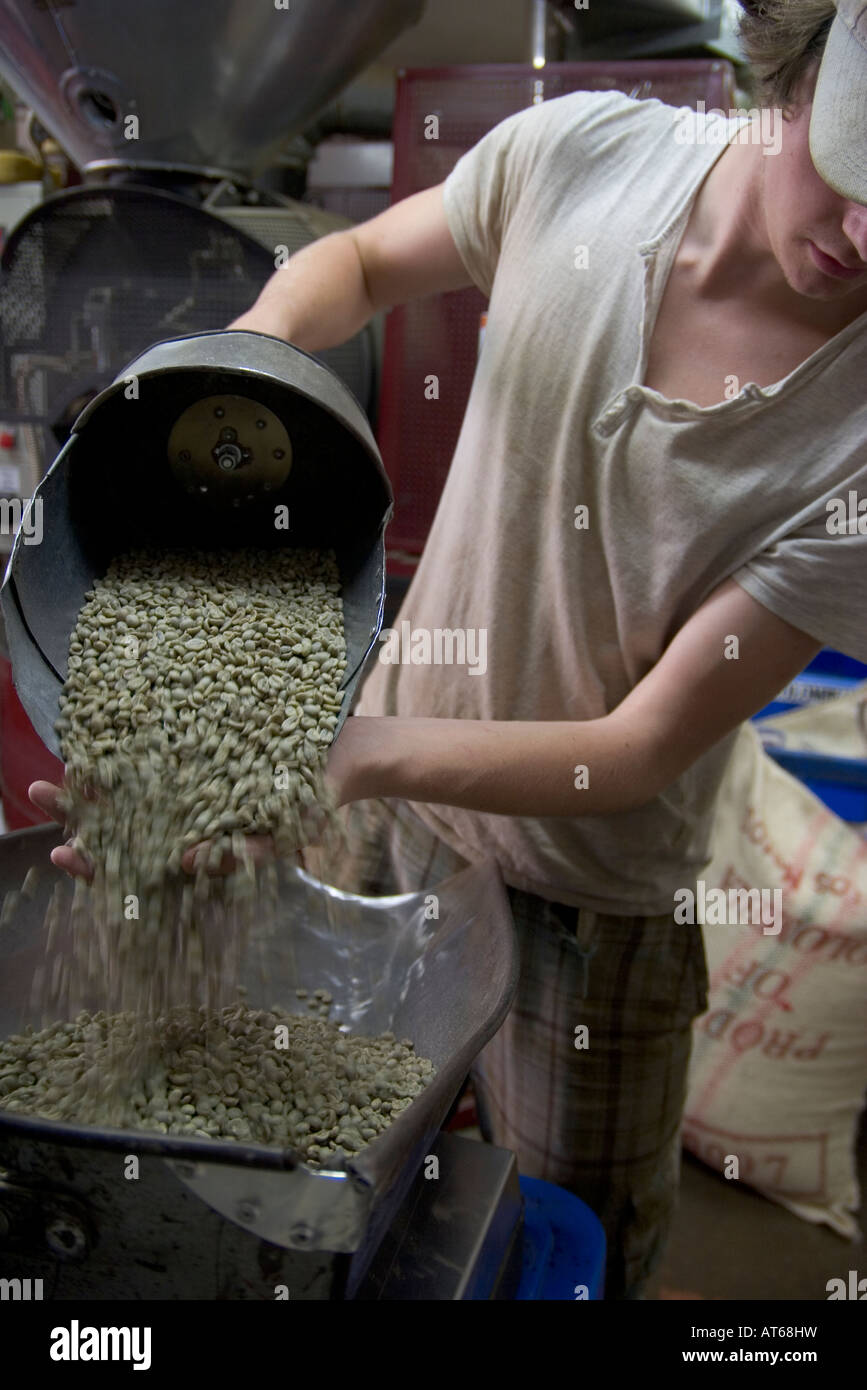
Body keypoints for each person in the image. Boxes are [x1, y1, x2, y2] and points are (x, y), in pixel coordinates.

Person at [32, 0, 867, 1298]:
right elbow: (358, 267)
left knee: (556, 1240)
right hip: (390, 803)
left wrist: (341, 755)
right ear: (800, 73)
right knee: (345, 1153)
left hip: (594, 890)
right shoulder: (587, 155)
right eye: (861, 168)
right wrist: (249, 358)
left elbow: (636, 745)